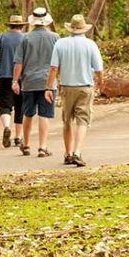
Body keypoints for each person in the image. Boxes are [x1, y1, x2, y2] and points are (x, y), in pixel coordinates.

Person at [45, 15, 104, 167]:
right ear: (84, 29)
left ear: (70, 28)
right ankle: (77, 152)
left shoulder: (60, 44)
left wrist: (48, 87)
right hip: (85, 87)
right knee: (82, 120)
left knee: (67, 120)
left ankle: (68, 153)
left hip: (66, 87)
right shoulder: (90, 45)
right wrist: (100, 83)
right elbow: (98, 69)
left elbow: (53, 68)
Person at [12, 7, 60, 157]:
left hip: (29, 82)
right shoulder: (55, 38)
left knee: (28, 113)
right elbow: (58, 62)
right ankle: (42, 147)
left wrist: (15, 81)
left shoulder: (25, 38)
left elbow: (18, 62)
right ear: (46, 21)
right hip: (48, 82)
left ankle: (26, 145)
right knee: (44, 115)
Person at [0, 15, 26, 148]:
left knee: (5, 104)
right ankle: (18, 137)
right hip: (22, 76)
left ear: (9, 25)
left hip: (4, 75)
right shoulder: (25, 38)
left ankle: (6, 127)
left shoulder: (2, 37)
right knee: (20, 106)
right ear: (22, 26)